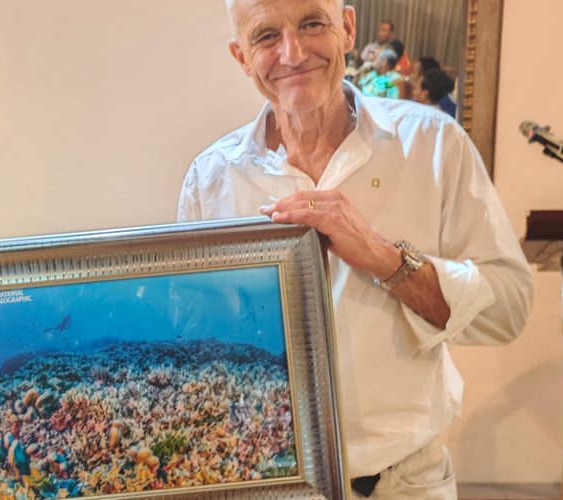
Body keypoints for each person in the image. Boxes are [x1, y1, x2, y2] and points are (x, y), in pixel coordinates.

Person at [179, 0, 533, 498]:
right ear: (241, 57)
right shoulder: (211, 180)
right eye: (265, 37)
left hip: (403, 483)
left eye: (311, 23)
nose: (293, 52)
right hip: (265, 483)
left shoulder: (433, 145)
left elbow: (510, 309)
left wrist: (383, 257)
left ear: (346, 28)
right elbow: (196, 347)